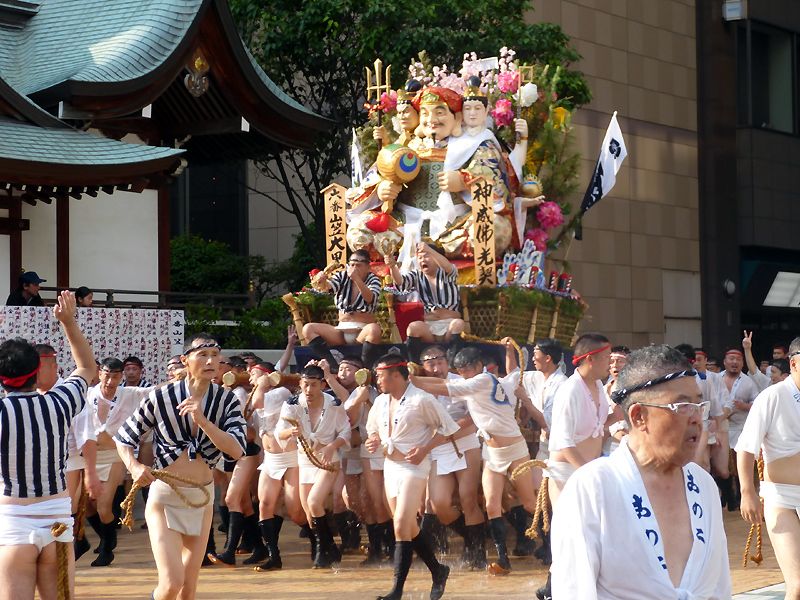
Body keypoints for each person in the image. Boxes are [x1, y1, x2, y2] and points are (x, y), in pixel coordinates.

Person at [551, 344, 729, 599]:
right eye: (682, 406)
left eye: (699, 405)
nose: (696, 419)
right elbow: (573, 591)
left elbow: (720, 588)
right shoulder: (592, 487)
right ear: (638, 417)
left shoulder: (703, 485)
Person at [114, 333, 247, 600]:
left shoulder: (227, 400)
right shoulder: (161, 396)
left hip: (202, 497)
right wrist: (134, 466)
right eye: (202, 355)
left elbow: (236, 449)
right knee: (172, 583)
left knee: (188, 588)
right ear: (186, 360)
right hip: (165, 496)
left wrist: (203, 421)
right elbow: (124, 437)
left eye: (215, 355)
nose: (210, 361)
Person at [411, 343, 537, 575]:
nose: (465, 374)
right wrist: (509, 352)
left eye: (468, 369)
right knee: (491, 505)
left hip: (514, 449)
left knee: (529, 502)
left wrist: (412, 380)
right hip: (491, 451)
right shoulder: (486, 381)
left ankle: (552, 543)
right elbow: (513, 372)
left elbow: (446, 387)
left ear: (480, 366)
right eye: (461, 370)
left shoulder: (482, 380)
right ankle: (502, 559)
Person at [0, 291, 95, 600]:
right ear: (37, 371)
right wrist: (68, 322)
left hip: (13, 521)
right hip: (57, 519)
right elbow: (87, 368)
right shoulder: (59, 402)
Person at [366, 354, 459, 600]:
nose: (377, 380)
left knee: (400, 524)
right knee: (407, 525)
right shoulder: (380, 401)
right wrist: (373, 440)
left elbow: (448, 428)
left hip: (413, 467)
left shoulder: (421, 399)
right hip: (390, 465)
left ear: (397, 375)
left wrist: (425, 449)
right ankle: (438, 570)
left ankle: (396, 591)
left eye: (380, 375)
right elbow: (373, 430)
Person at [737, 335, 800, 599]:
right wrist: (747, 491)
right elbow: (746, 447)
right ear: (794, 363)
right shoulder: (772, 396)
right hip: (781, 497)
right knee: (798, 585)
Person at [78, 357, 154, 566]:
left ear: (121, 377)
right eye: (107, 376)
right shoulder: (87, 393)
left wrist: (183, 377)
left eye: (115, 377)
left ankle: (107, 547)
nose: (110, 381)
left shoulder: (129, 394)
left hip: (114, 454)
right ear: (100, 373)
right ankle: (104, 538)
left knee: (104, 506)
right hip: (89, 454)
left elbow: (156, 391)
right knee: (86, 504)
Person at [276, 364, 350, 569]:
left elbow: (345, 432)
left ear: (322, 385)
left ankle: (322, 548)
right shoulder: (292, 404)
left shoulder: (333, 403)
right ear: (300, 384)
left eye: (314, 385)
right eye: (305, 384)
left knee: (314, 501)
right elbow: (279, 432)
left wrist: (332, 446)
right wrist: (290, 433)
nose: (309, 390)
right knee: (308, 511)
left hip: (328, 459)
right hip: (305, 458)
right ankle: (328, 548)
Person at [418, 344, 485, 569]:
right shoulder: (419, 389)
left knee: (468, 498)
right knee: (439, 503)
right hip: (438, 448)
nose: (437, 368)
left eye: (440, 363)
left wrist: (449, 431)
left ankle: (477, 553)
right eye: (431, 364)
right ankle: (471, 537)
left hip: (464, 443)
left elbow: (473, 417)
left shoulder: (461, 382)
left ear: (447, 363)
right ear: (423, 367)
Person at [34, 344, 101, 562]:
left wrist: (90, 473)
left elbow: (86, 436)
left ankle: (64, 553)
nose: (35, 374)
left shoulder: (70, 394)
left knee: (63, 510)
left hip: (69, 461)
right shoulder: (32, 395)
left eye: (39, 368)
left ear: (54, 366)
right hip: (41, 464)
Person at [251, 369, 304, 573]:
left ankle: (321, 541)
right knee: (265, 504)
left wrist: (263, 383)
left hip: (290, 458)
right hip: (270, 458)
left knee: (295, 510)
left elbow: (258, 402)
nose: (252, 377)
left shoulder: (281, 392)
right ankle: (274, 556)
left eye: (255, 373)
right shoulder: (259, 393)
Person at [302, 249, 384, 369]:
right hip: (341, 330)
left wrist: (357, 279)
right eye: (352, 264)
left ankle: (364, 369)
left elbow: (369, 298)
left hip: (362, 331)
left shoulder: (373, 280)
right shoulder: (342, 276)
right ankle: (333, 366)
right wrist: (323, 281)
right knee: (308, 329)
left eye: (358, 265)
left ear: (368, 267)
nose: (354, 268)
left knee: (374, 329)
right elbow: (329, 288)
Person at [385, 243, 464, 362]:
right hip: (430, 326)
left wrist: (428, 249)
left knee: (458, 324)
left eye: (426, 256)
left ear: (436, 257)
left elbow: (448, 266)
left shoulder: (446, 272)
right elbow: (401, 282)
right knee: (414, 327)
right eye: (420, 257)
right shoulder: (417, 275)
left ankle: (453, 364)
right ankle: (414, 364)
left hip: (450, 324)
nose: (422, 260)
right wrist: (392, 267)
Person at [720, 347, 758, 511]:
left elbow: (757, 404)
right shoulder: (716, 378)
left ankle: (741, 495)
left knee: (740, 463)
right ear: (725, 362)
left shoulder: (748, 382)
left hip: (741, 428)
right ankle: (727, 495)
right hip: (721, 428)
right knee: (722, 466)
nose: (734, 362)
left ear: (742, 363)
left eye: (738, 360)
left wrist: (744, 406)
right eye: (731, 359)